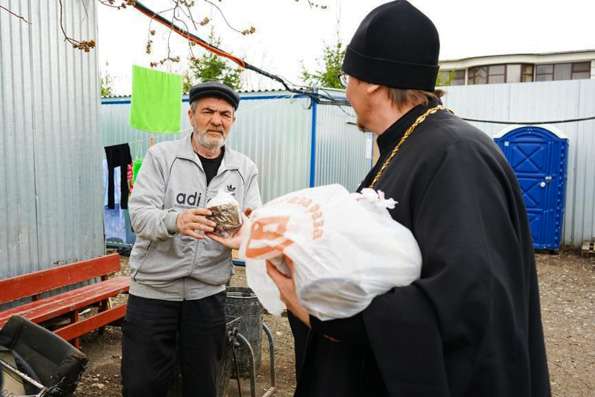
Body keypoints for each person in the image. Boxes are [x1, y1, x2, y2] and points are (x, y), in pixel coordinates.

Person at [265, 1, 551, 396]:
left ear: (371, 82)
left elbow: (468, 297)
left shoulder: (454, 154)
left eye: (347, 76)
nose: (346, 90)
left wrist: (327, 318)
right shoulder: (411, 146)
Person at [122, 81, 262, 397]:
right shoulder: (161, 157)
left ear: (233, 120)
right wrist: (176, 220)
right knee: (143, 385)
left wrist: (245, 234)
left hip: (207, 293)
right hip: (154, 291)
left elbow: (255, 221)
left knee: (204, 385)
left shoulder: (244, 169)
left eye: (225, 114)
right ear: (191, 115)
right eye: (208, 111)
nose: (216, 120)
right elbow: (140, 216)